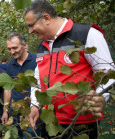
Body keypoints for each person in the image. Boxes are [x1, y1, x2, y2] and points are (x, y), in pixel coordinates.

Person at [24, 0, 115, 138]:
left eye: (31, 25)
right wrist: (35, 105)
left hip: (80, 123)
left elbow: (107, 72)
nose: (30, 31)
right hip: (50, 123)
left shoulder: (86, 34)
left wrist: (101, 97)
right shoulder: (42, 46)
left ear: (46, 18)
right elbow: (38, 77)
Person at [4, 32, 38, 137]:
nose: (12, 52)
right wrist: (5, 111)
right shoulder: (10, 65)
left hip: (32, 112)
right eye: (9, 49)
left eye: (14, 48)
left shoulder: (37, 60)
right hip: (15, 113)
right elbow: (8, 89)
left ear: (24, 45)